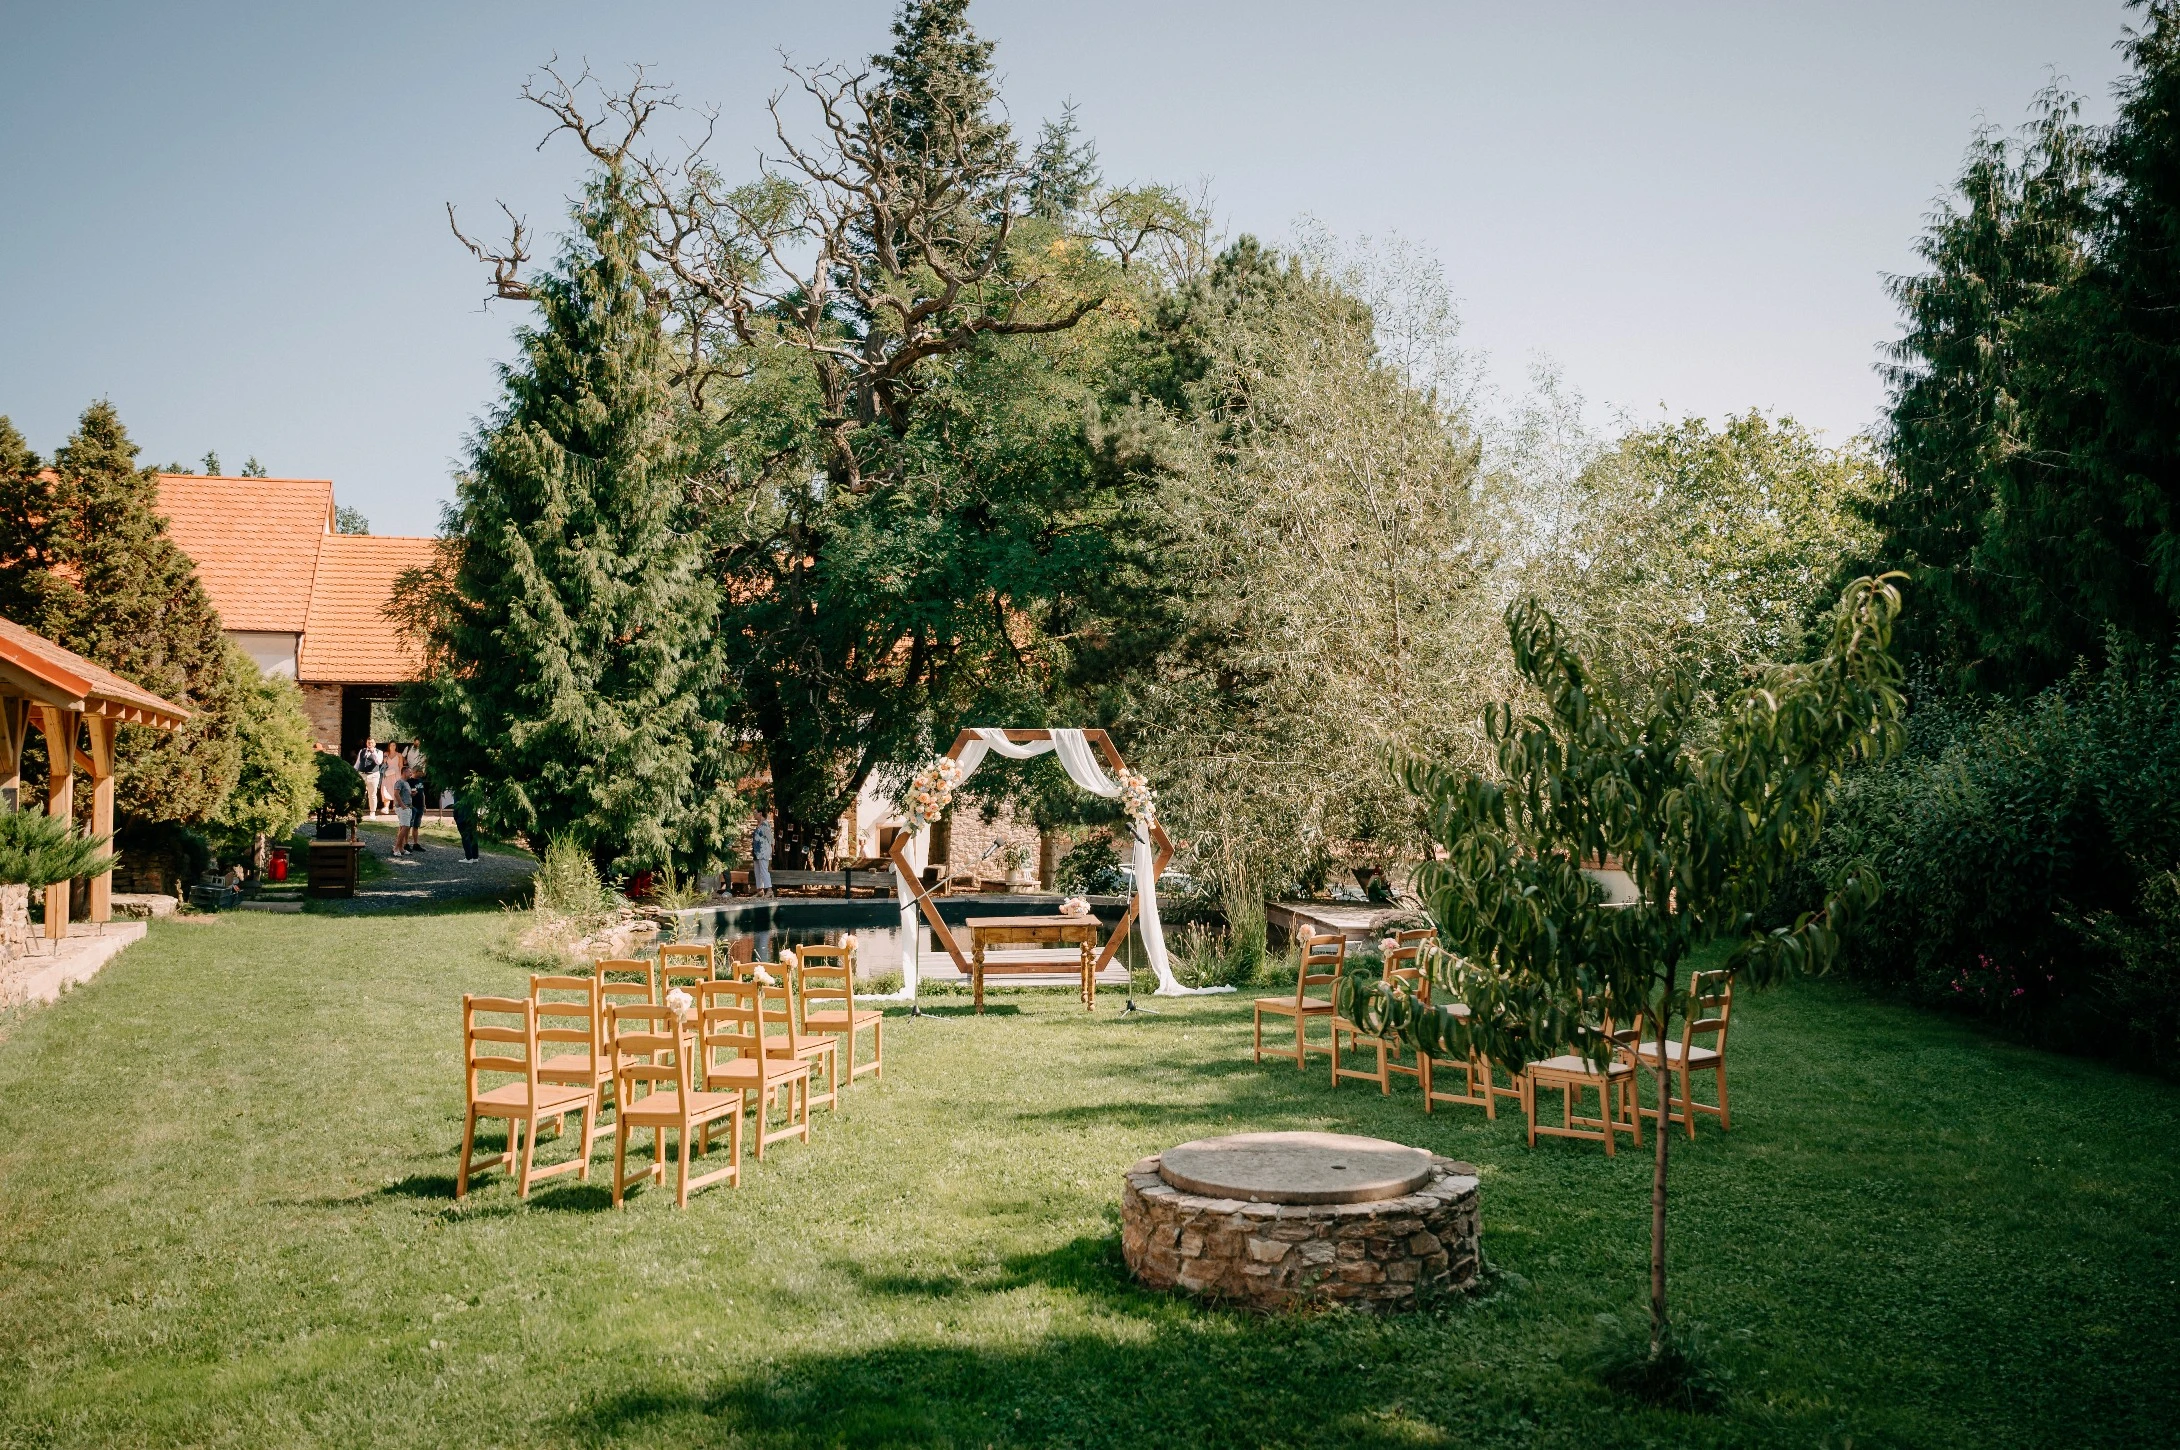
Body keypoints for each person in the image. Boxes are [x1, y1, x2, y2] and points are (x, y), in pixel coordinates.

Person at [353, 738, 382, 817]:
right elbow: (358, 763)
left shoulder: (379, 752)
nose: (370, 744)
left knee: (372, 794)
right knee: (360, 793)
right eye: (368, 742)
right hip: (362, 774)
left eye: (372, 743)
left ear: (375, 744)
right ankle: (359, 811)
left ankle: (372, 812)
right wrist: (353, 771)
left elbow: (379, 762)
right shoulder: (362, 751)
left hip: (373, 775)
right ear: (366, 743)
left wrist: (373, 752)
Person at [451, 787, 481, 863]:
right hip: (472, 815)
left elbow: (456, 806)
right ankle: (475, 856)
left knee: (465, 836)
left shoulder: (458, 791)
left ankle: (469, 857)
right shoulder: (472, 790)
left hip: (462, 816)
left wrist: (455, 817)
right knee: (473, 835)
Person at [751, 808, 775, 895]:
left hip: (763, 851)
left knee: (764, 870)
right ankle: (760, 890)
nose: (754, 814)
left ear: (760, 813)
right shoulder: (759, 825)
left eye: (755, 813)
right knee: (757, 871)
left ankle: (769, 890)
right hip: (757, 852)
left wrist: (772, 849)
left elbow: (771, 839)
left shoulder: (765, 825)